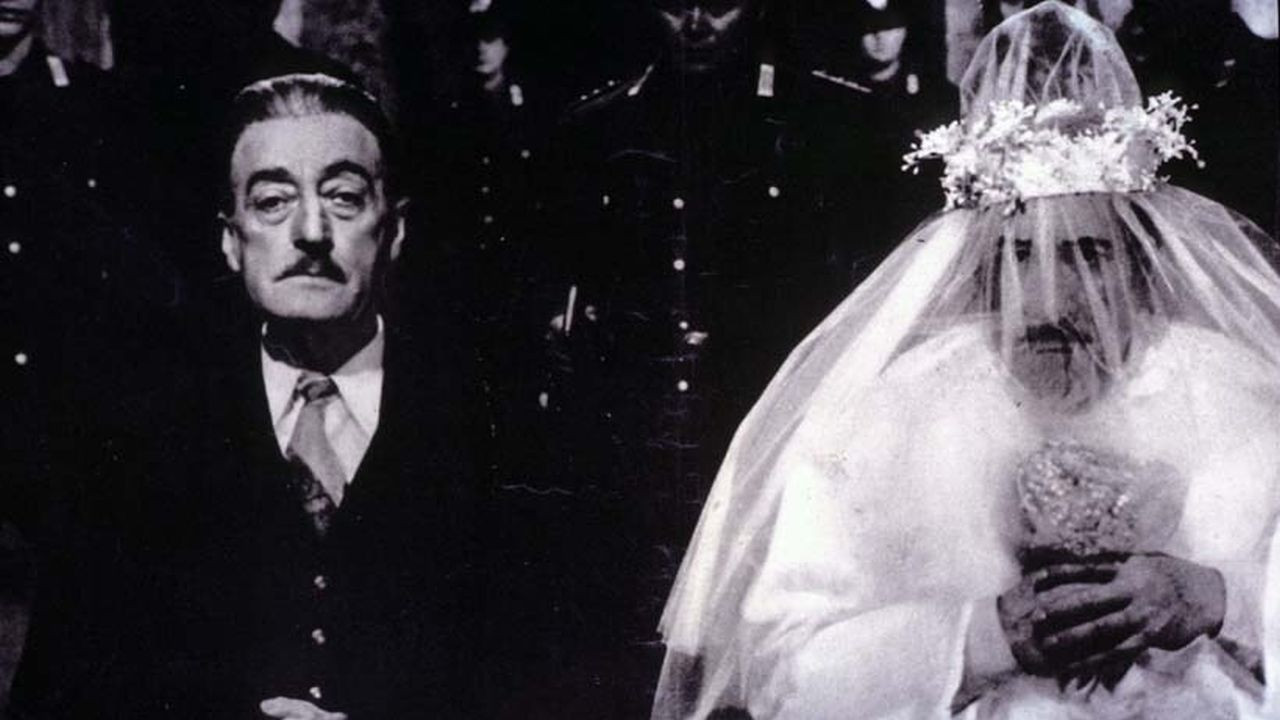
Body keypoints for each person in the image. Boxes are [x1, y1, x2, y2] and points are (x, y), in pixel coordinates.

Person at [652, 3, 1280, 718]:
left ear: (1141, 260)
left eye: (1088, 254)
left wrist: (1223, 599)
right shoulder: (885, 414)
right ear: (977, 263)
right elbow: (783, 671)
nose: (1049, 301)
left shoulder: (1244, 397)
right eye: (1020, 256)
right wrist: (983, 637)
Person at [9, 72, 499, 720]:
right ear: (231, 240)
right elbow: (59, 694)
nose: (311, 230)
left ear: (395, 230)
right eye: (272, 201)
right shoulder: (137, 436)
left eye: (344, 197)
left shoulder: (492, 429)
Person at [526, 0, 869, 713]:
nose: (696, 25)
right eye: (676, 5)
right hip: (632, 452)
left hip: (772, 443)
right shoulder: (599, 129)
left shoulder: (829, 122)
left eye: (719, 5)